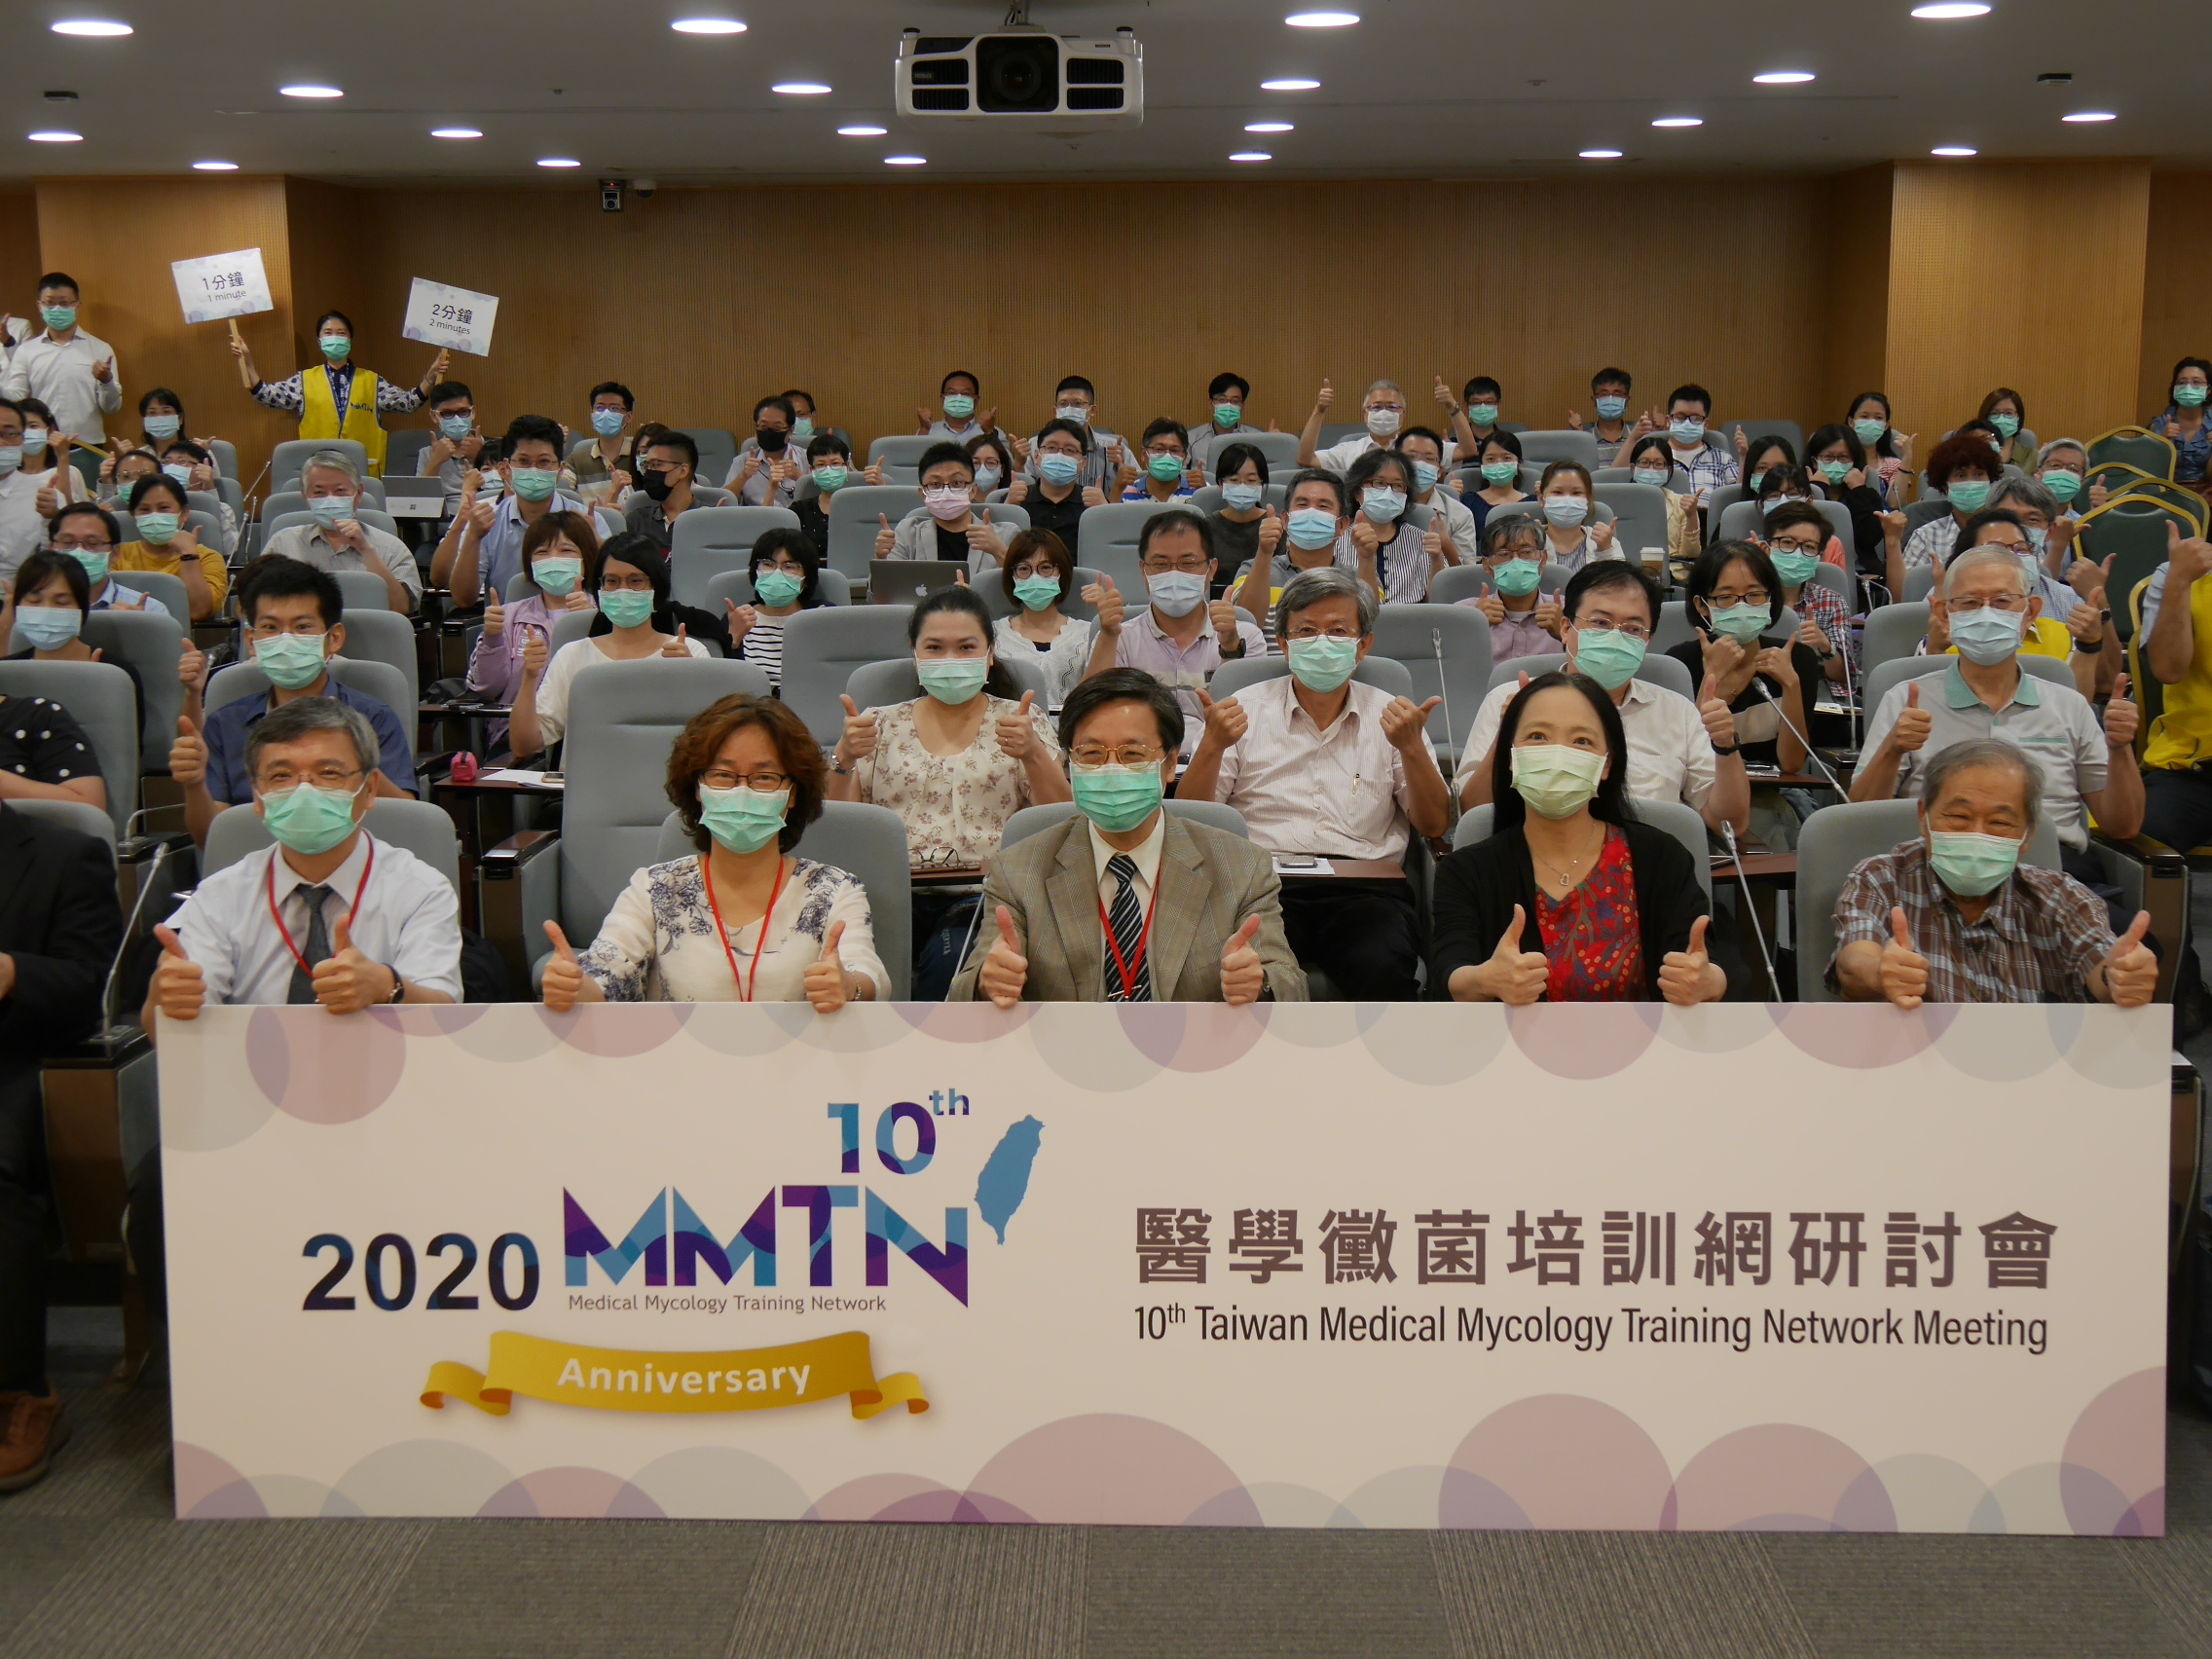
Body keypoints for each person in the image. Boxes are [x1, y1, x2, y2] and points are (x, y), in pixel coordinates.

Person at [952, 668, 1305, 1005]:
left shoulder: (1242, 867)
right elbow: (967, 988)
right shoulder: (1017, 871)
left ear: (1170, 764)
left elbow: (1291, 984)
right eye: (1091, 754)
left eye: (1133, 754)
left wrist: (1260, 984)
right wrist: (988, 983)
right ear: (1071, 763)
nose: (1111, 770)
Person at [1175, 568, 1446, 1001]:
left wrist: (1412, 748)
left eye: (1338, 630)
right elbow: (1191, 824)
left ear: (1363, 645)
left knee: (1383, 970)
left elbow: (1433, 825)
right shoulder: (1242, 711)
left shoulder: (1394, 718)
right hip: (1260, 887)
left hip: (1367, 893)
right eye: (1306, 630)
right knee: (1246, 981)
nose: (1322, 642)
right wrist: (1211, 747)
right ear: (1283, 643)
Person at [541, 695, 885, 1011]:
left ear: (792, 794)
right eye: (722, 775)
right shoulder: (654, 889)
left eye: (764, 778)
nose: (742, 791)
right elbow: (604, 975)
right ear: (698, 788)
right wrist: (574, 987)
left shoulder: (834, 889)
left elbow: (869, 975)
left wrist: (849, 986)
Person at [148, 698, 461, 1029]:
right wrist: (163, 1000)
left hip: (390, 1058)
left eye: (329, 774)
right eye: (281, 776)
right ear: (258, 798)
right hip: (252, 1060)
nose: (304, 792)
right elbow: (169, 1031)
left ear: (369, 790)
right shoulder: (219, 896)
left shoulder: (421, 890)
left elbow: (446, 1018)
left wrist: (388, 986)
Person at [1431, 672, 1734, 1005]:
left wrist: (1707, 981)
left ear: (1606, 765)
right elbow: (1449, 972)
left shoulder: (1661, 857)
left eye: (1581, 742)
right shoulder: (1467, 870)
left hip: (1641, 1037)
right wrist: (1484, 980)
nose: (1558, 754)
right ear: (1511, 757)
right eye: (1537, 736)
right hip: (1513, 1039)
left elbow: (1709, 963)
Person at [825, 585, 1068, 998]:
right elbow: (843, 834)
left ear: (990, 654)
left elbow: (1061, 821)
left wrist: (1032, 754)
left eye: (966, 647)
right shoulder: (877, 724)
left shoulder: (1020, 721)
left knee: (947, 964)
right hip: (887, 894)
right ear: (915, 655)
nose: (950, 660)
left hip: (983, 894)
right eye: (935, 648)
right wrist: (843, 758)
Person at [1853, 542, 2140, 877]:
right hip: (1937, 870)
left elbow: (2123, 826)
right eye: (1970, 603)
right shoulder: (1905, 700)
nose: (1986, 614)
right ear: (1945, 614)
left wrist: (2120, 749)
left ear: (2030, 612)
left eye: (2002, 601)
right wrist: (1893, 749)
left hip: (2054, 871)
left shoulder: (2070, 705)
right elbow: (1862, 818)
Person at [1829, 739, 2157, 1008]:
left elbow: (2101, 966)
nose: (1977, 834)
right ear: (1924, 818)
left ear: (2027, 835)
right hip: (1915, 1057)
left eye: (2000, 823)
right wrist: (1880, 972)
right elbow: (1854, 962)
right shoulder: (1881, 877)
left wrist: (2120, 976)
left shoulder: (2061, 896)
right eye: (1958, 817)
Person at [0, 798, 122, 1490]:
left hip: (13, 1061)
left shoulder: (63, 856)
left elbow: (87, 987)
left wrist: (14, 972)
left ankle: (19, 1391)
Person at [1456, 562, 1750, 837]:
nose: (1615, 637)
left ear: (1647, 642)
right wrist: (1509, 730)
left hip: (1649, 864)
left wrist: (1726, 747)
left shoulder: (1678, 712)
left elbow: (1728, 824)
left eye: (1633, 629)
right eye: (1600, 623)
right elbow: (1472, 812)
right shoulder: (1510, 700)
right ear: (1566, 628)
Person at [168, 560, 414, 847]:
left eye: (302, 626)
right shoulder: (225, 724)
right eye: (270, 627)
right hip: (254, 860)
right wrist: (194, 785)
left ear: (334, 638)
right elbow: (211, 840)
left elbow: (406, 821)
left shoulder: (372, 717)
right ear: (251, 640)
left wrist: (354, 755)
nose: (286, 640)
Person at [506, 533, 711, 759]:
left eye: (636, 581)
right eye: (612, 581)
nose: (623, 590)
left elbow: (709, 741)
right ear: (600, 589)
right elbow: (524, 746)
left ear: (656, 587)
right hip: (587, 779)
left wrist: (689, 679)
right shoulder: (571, 655)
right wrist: (529, 677)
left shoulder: (689, 653)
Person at [1095, 509, 1269, 749]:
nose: (1174, 574)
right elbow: (1093, 713)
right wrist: (1108, 634)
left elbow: (1249, 725)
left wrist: (1230, 649)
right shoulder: (1119, 638)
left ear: (1211, 569)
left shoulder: (1246, 636)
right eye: (1161, 564)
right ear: (1143, 570)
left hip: (1222, 761)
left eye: (1188, 563)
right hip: (1141, 762)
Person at [1666, 540, 1823, 786]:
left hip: (1770, 795)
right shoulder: (1680, 664)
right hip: (1697, 791)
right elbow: (1680, 757)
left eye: (1754, 595)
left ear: (1770, 599)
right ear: (1702, 605)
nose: (1742, 605)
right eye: (1726, 597)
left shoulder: (1797, 659)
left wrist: (1791, 686)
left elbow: (1792, 764)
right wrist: (1713, 677)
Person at [232, 308, 447, 475]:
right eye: (328, 333)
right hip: (319, 471)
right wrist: (248, 363)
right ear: (319, 341)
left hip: (363, 473)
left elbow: (409, 403)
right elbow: (267, 396)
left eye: (341, 333)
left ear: (350, 339)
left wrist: (431, 374)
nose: (335, 337)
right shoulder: (304, 381)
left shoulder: (372, 381)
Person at [465, 512, 599, 744]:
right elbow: (487, 689)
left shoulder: (606, 614)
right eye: (542, 552)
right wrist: (492, 638)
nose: (553, 559)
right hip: (517, 736)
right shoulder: (507, 616)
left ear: (586, 559)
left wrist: (591, 623)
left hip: (589, 734)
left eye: (566, 551)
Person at [437, 415, 593, 607]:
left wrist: (595, 542)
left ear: (560, 470)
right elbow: (463, 599)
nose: (534, 470)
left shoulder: (587, 520)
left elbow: (605, 589)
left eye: (544, 462)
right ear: (506, 468)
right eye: (523, 461)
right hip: (505, 623)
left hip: (576, 621)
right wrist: (472, 538)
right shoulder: (485, 520)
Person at [265, 449, 422, 612]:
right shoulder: (283, 543)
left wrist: (366, 550)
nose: (330, 499)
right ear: (306, 497)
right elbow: (253, 605)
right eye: (319, 493)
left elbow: (401, 608)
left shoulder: (391, 547)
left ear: (358, 493)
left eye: (340, 491)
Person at [7, 551, 145, 725]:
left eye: (62, 602)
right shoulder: (5, 674)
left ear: (82, 609)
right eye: (34, 601)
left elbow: (129, 741)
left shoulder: (116, 675)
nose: (46, 610)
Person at [2139, 521, 2212, 853]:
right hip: (2193, 766)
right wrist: (2180, 581)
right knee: (2145, 839)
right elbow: (2168, 669)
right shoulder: (2178, 573)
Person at [0, 275, 118, 448]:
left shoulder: (100, 349)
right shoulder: (26, 351)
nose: (57, 309)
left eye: (64, 303)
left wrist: (107, 382)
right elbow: (17, 397)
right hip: (41, 445)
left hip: (88, 446)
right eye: (49, 303)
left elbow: (112, 408)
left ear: (78, 306)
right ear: (39, 306)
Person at [1229, 467, 1352, 632]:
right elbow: (1245, 628)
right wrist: (1265, 552)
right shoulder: (1251, 570)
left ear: (1342, 525)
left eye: (1323, 506)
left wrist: (1367, 558)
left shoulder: (1358, 578)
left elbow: (1373, 633)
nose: (1311, 512)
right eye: (1302, 504)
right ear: (1285, 520)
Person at [1758, 500, 1856, 685]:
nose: (1797, 554)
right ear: (1766, 548)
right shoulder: (1746, 599)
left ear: (1819, 556)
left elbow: (1844, 679)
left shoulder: (1832, 601)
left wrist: (1825, 647)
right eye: (1787, 543)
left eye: (1809, 547)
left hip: (1813, 689)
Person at [873, 442, 1010, 573]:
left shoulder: (1004, 535)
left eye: (957, 483)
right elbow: (887, 588)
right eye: (935, 484)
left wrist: (1000, 552)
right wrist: (881, 559)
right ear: (923, 494)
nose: (946, 492)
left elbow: (1019, 587)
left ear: (973, 490)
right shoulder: (908, 534)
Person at [726, 527, 831, 686]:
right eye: (768, 564)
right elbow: (727, 684)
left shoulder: (822, 615)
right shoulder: (738, 618)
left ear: (806, 579)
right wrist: (734, 640)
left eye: (790, 566)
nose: (777, 574)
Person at [113, 474, 227, 621]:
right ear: (133, 515)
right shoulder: (117, 555)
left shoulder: (208, 558)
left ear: (184, 513)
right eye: (145, 510)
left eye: (164, 508)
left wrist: (189, 556)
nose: (154, 516)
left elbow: (198, 612)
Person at [1899, 432, 2006, 579]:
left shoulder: (2008, 531)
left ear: (1990, 480)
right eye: (1961, 475)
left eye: (1979, 474)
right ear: (1945, 486)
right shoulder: (1926, 536)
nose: (1971, 483)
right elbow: (1909, 588)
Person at [1458, 517, 1562, 665]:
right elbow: (1446, 669)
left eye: (1526, 552)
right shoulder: (1465, 614)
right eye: (1504, 554)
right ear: (1486, 565)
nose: (1516, 562)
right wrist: (1475, 627)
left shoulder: (1569, 612)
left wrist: (1565, 634)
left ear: (1543, 559)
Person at [1345, 447, 1440, 602]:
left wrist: (1436, 559)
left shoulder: (1422, 540)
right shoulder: (1337, 540)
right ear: (1357, 491)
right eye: (1378, 483)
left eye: (1397, 485)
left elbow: (1436, 603)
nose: (1388, 492)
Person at [42, 502, 157, 616]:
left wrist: (139, 625)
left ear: (115, 553)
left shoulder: (150, 610)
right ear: (51, 549)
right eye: (68, 542)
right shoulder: (35, 606)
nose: (79, 552)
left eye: (92, 543)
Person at [1004, 419, 1099, 548]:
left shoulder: (1094, 504)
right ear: (1036, 457)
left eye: (1070, 450)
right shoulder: (1015, 500)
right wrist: (1009, 507)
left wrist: (1102, 512)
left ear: (1083, 463)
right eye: (1051, 448)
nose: (1059, 455)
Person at [1204, 441, 1280, 591]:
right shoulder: (1206, 529)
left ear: (1261, 484)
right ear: (1221, 484)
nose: (1243, 487)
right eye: (1234, 480)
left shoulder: (1276, 528)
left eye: (1251, 481)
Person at [1398, 424, 1477, 564]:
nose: (1420, 464)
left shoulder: (1460, 515)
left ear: (1439, 470)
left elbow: (1466, 572)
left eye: (1429, 459)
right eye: (1411, 457)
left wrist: (1445, 544)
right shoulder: (1382, 504)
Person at [1623, 433, 1702, 571]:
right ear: (1633, 468)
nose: (1651, 469)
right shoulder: (1619, 502)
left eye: (1659, 464)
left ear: (1668, 470)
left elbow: (1690, 557)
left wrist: (1691, 517)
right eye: (1644, 462)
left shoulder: (1681, 504)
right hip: (1625, 573)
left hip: (1671, 574)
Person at [1027, 377, 1121, 492]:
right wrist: (1019, 464)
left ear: (1092, 410)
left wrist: (1119, 468)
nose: (1069, 409)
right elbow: (1025, 490)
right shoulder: (1033, 446)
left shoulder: (1114, 447)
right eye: (1063, 404)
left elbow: (1135, 488)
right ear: (1055, 411)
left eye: (1077, 404)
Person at [1300, 378, 1408, 472]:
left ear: (1402, 415)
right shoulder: (1349, 451)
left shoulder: (1412, 450)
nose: (1384, 412)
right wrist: (1319, 411)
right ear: (1365, 414)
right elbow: (1306, 459)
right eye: (1376, 407)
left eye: (1392, 407)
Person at [1531, 460, 1616, 576]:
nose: (1567, 499)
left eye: (1576, 493)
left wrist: (1605, 552)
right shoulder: (1529, 542)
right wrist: (1531, 547)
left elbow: (1620, 585)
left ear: (1588, 500)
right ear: (1541, 499)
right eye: (1557, 492)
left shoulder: (1608, 543)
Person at [414, 380, 484, 517]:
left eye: (463, 412)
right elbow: (418, 504)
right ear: (434, 416)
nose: (457, 419)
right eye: (447, 413)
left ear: (473, 412)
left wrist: (482, 456)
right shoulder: (427, 453)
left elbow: (504, 495)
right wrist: (436, 461)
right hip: (445, 522)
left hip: (486, 519)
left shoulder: (493, 448)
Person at [0, 400, 50, 583]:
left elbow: (54, 566)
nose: (1, 442)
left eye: (10, 434)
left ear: (23, 440)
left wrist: (51, 518)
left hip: (17, 593)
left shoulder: (44, 496)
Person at [568, 381, 637, 505]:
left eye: (614, 408)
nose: (606, 414)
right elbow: (559, 491)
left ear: (629, 416)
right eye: (599, 408)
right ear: (592, 414)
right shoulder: (576, 460)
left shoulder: (639, 457)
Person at [2149, 356, 2212, 491]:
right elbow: (2150, 471)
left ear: (2208, 390)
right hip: (2166, 492)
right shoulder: (2159, 425)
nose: (2188, 387)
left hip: (2206, 492)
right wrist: (2162, 443)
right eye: (2182, 382)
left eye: (2196, 382)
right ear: (2175, 389)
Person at [729, 395, 802, 506]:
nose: (769, 432)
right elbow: (724, 502)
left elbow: (825, 498)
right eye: (763, 427)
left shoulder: (807, 458)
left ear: (791, 431)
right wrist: (743, 477)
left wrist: (799, 476)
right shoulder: (742, 462)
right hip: (758, 517)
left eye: (777, 428)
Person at [1847, 391, 1915, 508]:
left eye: (1878, 418)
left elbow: (1894, 503)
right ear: (1851, 422)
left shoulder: (1893, 465)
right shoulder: (1839, 462)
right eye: (1864, 417)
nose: (1871, 422)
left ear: (1886, 425)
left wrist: (1907, 458)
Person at [1190, 372, 1262, 476]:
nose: (1228, 406)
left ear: (1242, 406)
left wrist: (1274, 443)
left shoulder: (1257, 438)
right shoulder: (1191, 438)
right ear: (1210, 404)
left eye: (1235, 401)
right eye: (1222, 400)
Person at [1118, 418, 1201, 502]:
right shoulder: (1125, 493)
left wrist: (1204, 493)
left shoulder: (1199, 489)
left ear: (1184, 457)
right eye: (1159, 449)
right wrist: (1117, 489)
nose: (1167, 456)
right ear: (1144, 454)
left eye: (1175, 450)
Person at [1464, 429, 1529, 537]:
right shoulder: (1469, 501)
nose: (1499, 464)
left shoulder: (1531, 502)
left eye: (1507, 458)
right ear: (1481, 464)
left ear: (1518, 464)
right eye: (1491, 459)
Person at [1567, 367, 1636, 464]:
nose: (1610, 399)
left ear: (1627, 400)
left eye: (1617, 394)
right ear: (1594, 401)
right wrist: (1580, 438)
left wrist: (1657, 433)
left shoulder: (1638, 437)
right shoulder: (1583, 437)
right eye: (1604, 394)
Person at [918, 370, 996, 444]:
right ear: (943, 399)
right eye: (952, 393)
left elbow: (1001, 453)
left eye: (965, 394)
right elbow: (916, 453)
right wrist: (924, 429)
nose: (958, 398)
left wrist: (989, 432)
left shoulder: (991, 431)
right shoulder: (929, 431)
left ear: (976, 400)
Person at [1976, 387, 2038, 472]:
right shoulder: (1972, 451)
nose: (2001, 419)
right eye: (1994, 413)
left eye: (2008, 413)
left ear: (2018, 417)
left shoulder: (2033, 456)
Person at [2035, 437, 2093, 521]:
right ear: (2038, 473)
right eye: (2055, 465)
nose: (2063, 472)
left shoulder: (2080, 524)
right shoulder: (2017, 519)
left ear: (2082, 481)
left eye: (2073, 469)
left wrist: (2097, 519)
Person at [964, 431, 1015, 500]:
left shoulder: (1014, 503)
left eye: (991, 463)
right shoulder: (955, 504)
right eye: (975, 463)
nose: (982, 469)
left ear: (1002, 470)